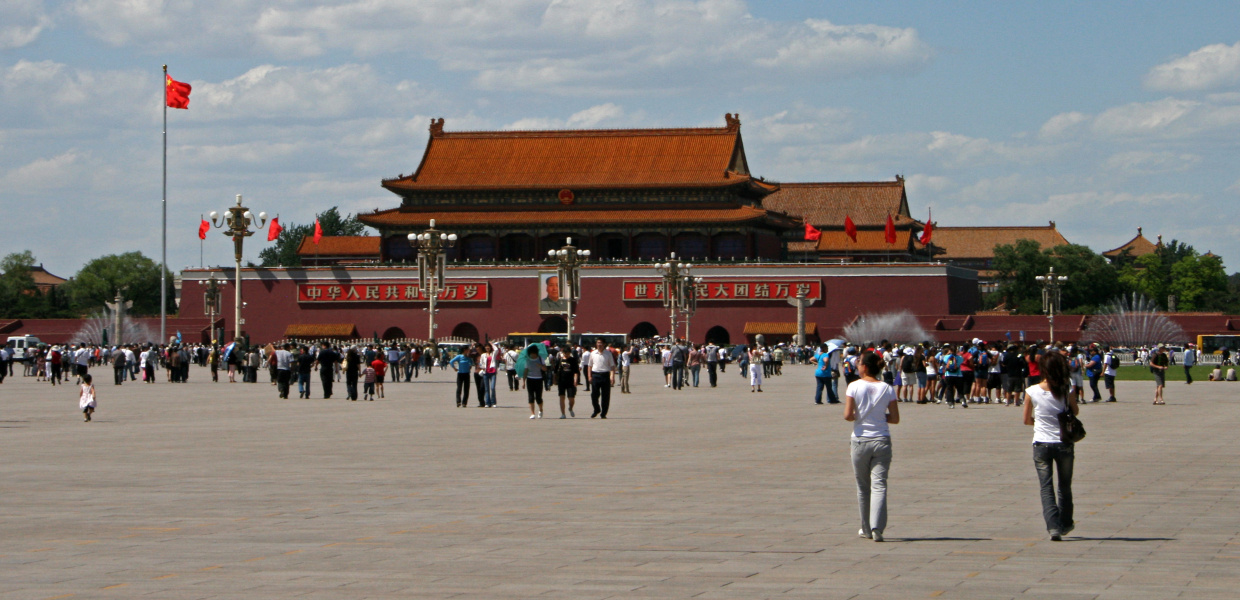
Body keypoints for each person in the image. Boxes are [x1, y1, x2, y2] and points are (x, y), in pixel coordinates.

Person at [1022, 350, 1078, 541]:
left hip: (1041, 444)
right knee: (1064, 486)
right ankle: (1066, 522)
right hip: (1064, 443)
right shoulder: (1067, 387)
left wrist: (1039, 422)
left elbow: (1026, 420)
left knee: (1046, 487)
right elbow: (1075, 410)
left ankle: (1053, 526)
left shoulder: (1032, 391)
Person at [844, 351, 899, 542]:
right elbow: (895, 418)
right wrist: (878, 417)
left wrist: (860, 416)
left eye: (858, 363)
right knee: (879, 485)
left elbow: (848, 415)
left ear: (865, 366)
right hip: (882, 440)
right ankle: (877, 528)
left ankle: (866, 528)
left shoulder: (853, 386)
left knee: (863, 487)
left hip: (860, 440)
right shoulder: (887, 388)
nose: (856, 365)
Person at [587, 339, 617, 418]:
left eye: (600, 343)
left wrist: (612, 376)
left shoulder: (608, 354)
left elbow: (612, 366)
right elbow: (589, 366)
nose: (599, 344)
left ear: (604, 344)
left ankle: (603, 413)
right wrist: (589, 376)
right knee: (594, 395)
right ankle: (596, 409)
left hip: (605, 375)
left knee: (605, 396)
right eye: (598, 343)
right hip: (595, 375)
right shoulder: (593, 353)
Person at [521, 345, 545, 419]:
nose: (532, 355)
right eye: (531, 353)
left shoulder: (540, 359)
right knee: (531, 397)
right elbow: (525, 371)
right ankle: (532, 413)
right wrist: (524, 382)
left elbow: (545, 369)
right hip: (530, 379)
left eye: (534, 353)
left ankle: (540, 409)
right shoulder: (527, 360)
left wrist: (540, 365)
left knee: (538, 397)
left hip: (539, 379)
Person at [555, 345, 579, 418]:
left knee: (571, 398)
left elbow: (576, 371)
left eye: (568, 353)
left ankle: (570, 408)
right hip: (561, 381)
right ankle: (563, 414)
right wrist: (554, 380)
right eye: (565, 353)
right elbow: (555, 371)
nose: (567, 355)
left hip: (571, 381)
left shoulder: (573, 360)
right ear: (563, 353)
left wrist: (575, 380)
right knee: (562, 397)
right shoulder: (559, 360)